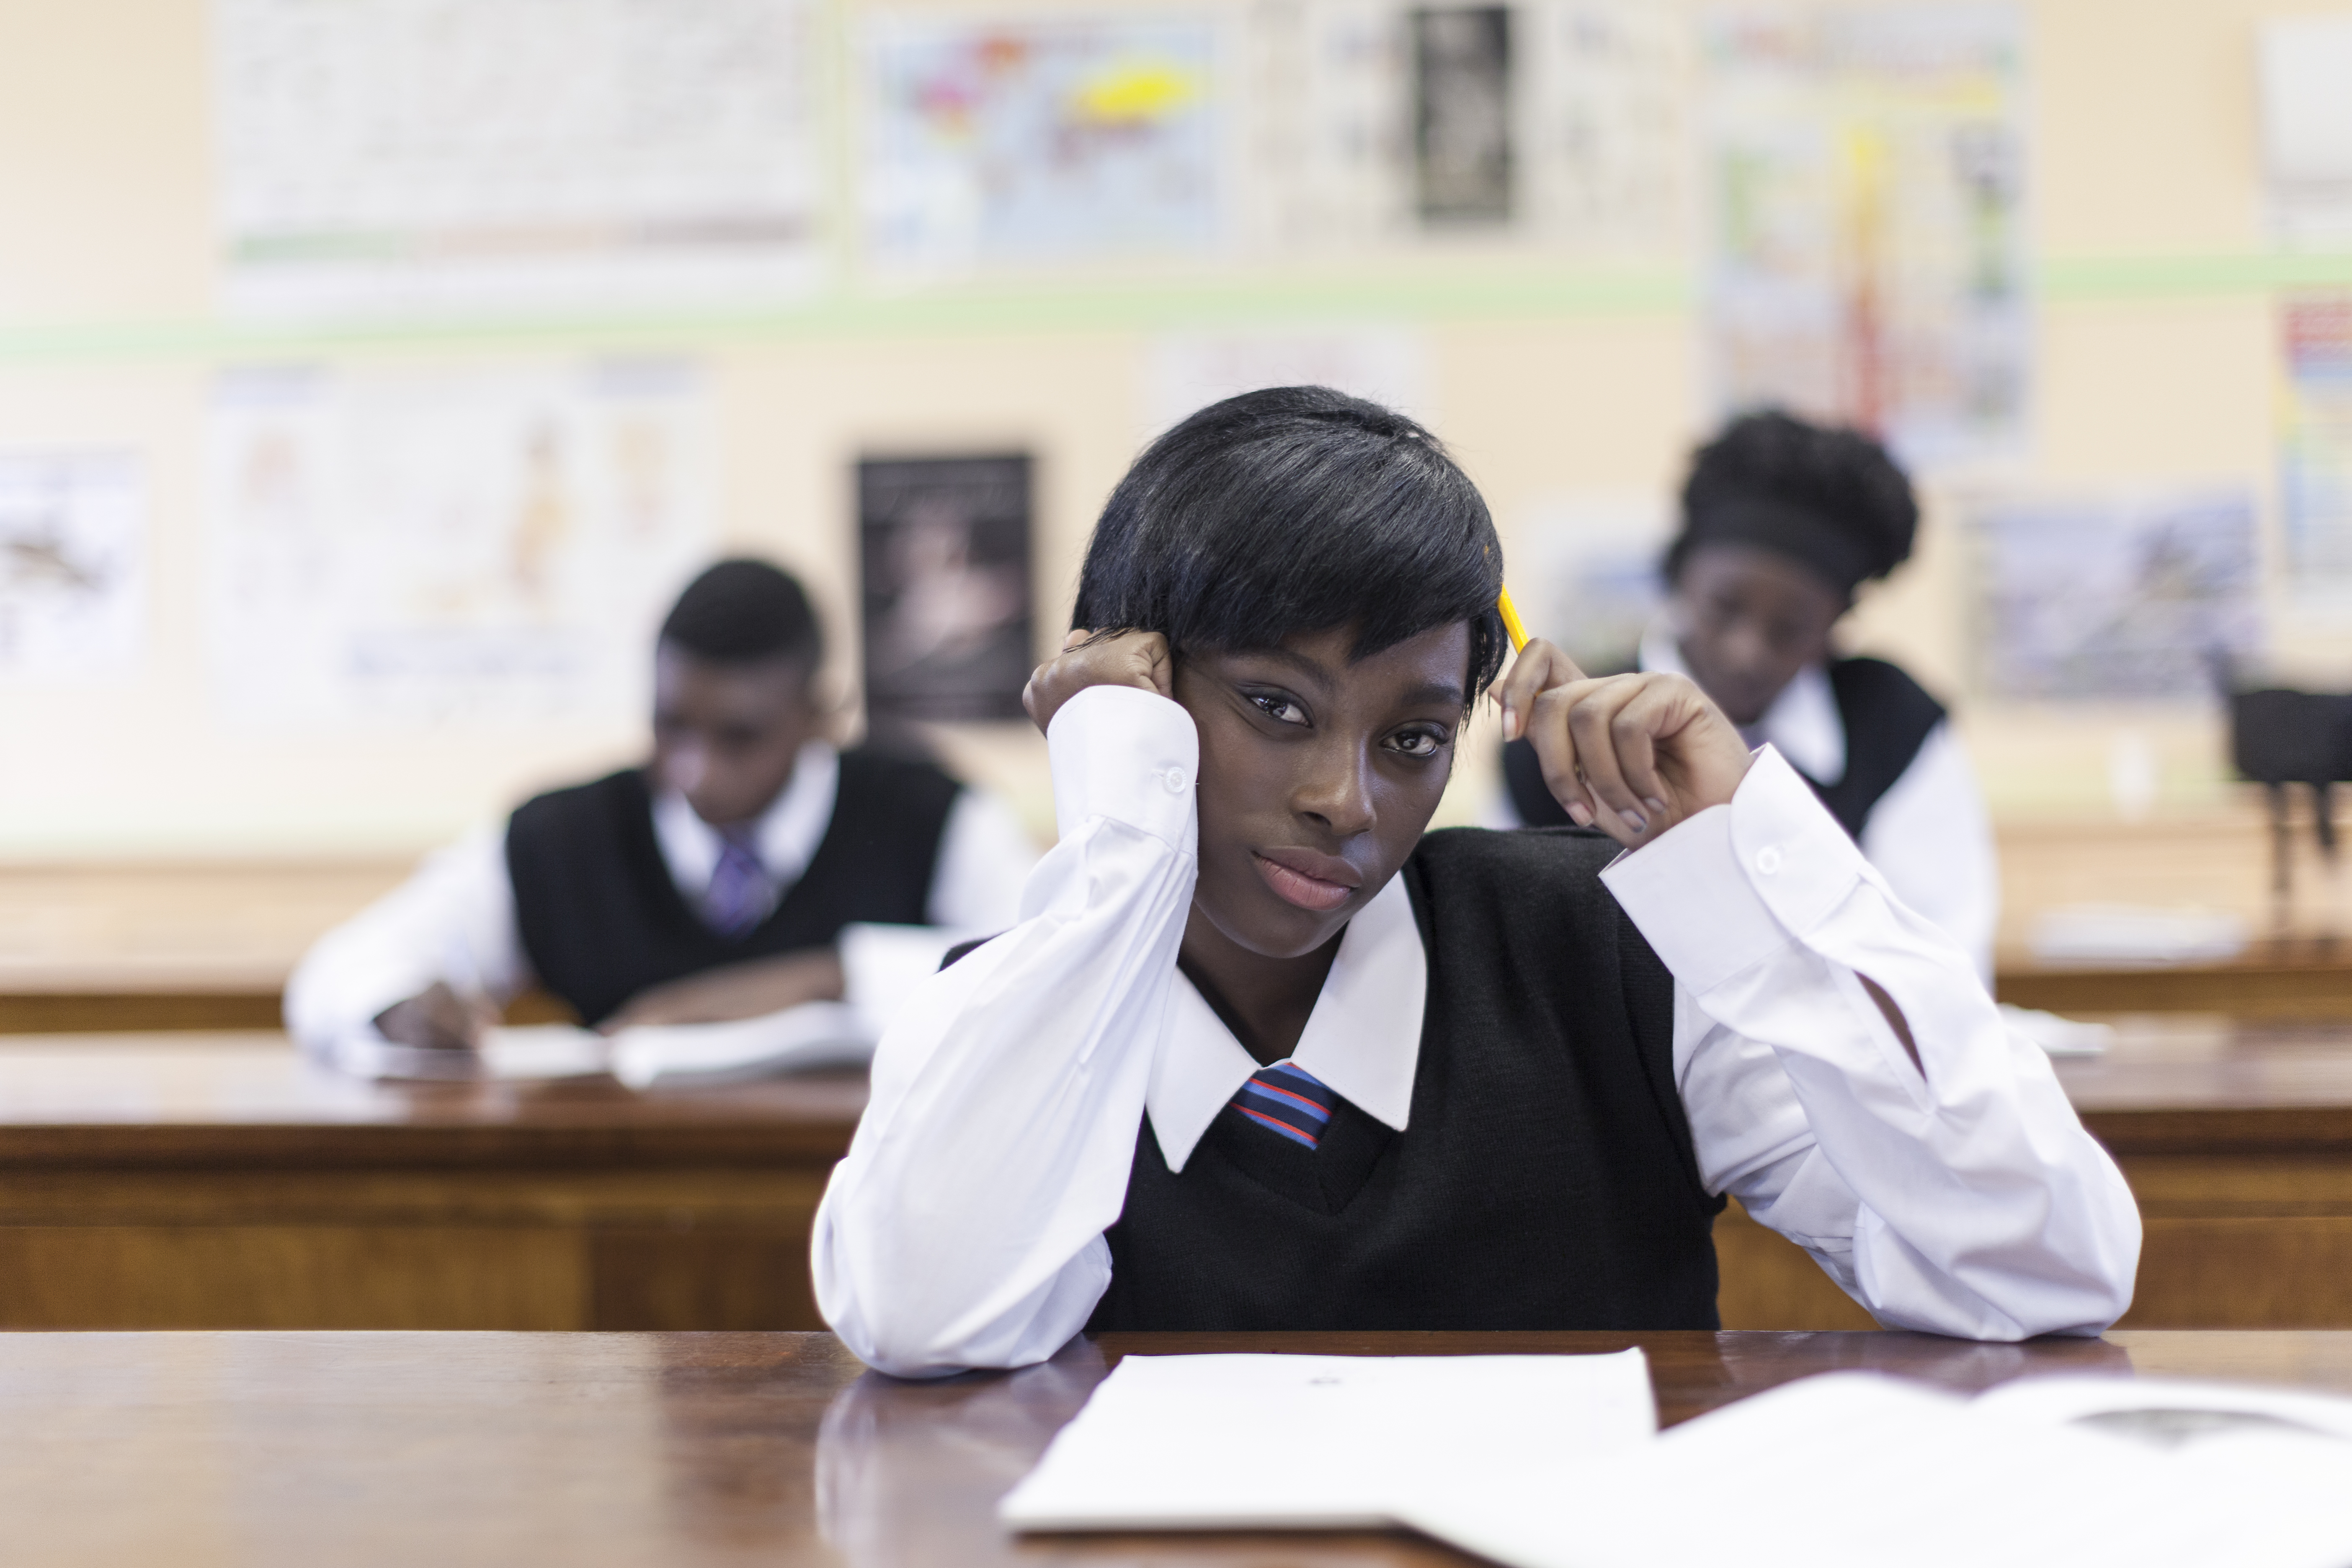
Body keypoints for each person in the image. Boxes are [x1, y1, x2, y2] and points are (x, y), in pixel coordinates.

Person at [811, 388, 2138, 1377]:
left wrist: (1752, 867)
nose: (1348, 797)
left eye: (1414, 738)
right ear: (1129, 693)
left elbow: (2041, 1266)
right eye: (1275, 706)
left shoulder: (1620, 965)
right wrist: (1116, 853)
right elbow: (927, 1317)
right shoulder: (1009, 1006)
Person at [286, 558, 1040, 1077]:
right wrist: (397, 1008)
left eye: (739, 736)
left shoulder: (929, 815)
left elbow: (1046, 969)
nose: (693, 771)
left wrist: (830, 976)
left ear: (819, 716)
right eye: (669, 727)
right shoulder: (563, 835)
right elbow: (337, 973)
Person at [1498, 411, 1998, 977]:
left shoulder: (1894, 723)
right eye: (1724, 607)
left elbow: (1945, 963)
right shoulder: (1566, 727)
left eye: (1791, 629)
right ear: (1678, 574)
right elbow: (1518, 965)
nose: (1747, 652)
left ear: (1838, 624)